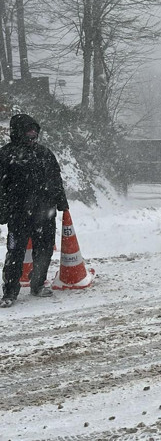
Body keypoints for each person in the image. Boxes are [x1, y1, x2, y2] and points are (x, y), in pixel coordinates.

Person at [0, 114, 69, 308]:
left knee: (45, 249)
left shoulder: (45, 153)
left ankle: (37, 284)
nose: (32, 135)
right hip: (18, 215)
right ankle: (10, 292)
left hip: (45, 213)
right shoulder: (6, 155)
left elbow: (56, 180)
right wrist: (3, 211)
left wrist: (62, 202)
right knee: (15, 252)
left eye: (34, 132)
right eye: (28, 132)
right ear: (17, 132)